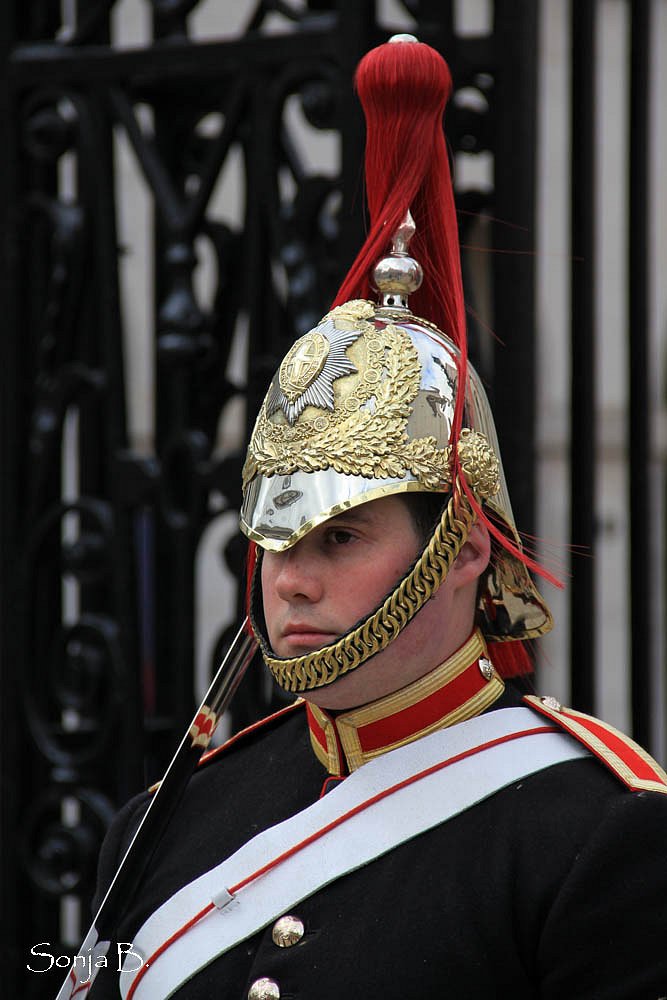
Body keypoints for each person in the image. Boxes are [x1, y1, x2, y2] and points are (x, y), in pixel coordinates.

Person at [90, 37, 667, 1000]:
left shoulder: (593, 833)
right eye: (274, 538)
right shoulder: (162, 823)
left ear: (462, 548)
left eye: (340, 536)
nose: (288, 577)